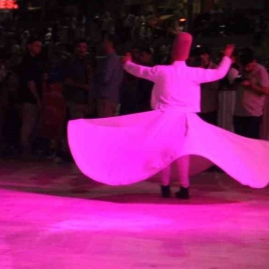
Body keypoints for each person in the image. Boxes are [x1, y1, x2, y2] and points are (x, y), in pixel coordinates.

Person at [69, 34, 269, 198]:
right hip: (184, 120)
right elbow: (218, 74)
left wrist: (128, 63)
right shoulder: (193, 73)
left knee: (164, 151)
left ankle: (166, 186)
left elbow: (139, 70)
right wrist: (227, 57)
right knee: (182, 153)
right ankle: (184, 186)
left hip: (164, 118)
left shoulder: (162, 70)